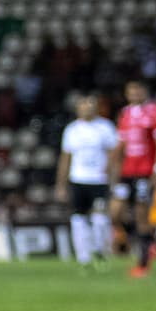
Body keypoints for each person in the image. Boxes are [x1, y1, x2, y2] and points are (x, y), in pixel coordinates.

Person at [108, 78, 156, 278]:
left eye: (137, 91)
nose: (134, 94)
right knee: (115, 211)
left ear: (144, 92)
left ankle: (143, 263)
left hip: (145, 171)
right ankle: (146, 240)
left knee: (142, 213)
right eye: (130, 91)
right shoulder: (125, 114)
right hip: (127, 171)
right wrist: (111, 165)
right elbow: (120, 144)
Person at [55, 93, 118, 272]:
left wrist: (114, 180)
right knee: (78, 220)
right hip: (78, 180)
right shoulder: (72, 130)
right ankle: (84, 258)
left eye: (90, 104)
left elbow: (114, 156)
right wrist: (61, 184)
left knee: (99, 219)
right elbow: (65, 158)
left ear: (96, 107)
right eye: (83, 105)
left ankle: (100, 252)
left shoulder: (105, 127)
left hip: (99, 180)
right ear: (77, 108)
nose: (86, 108)